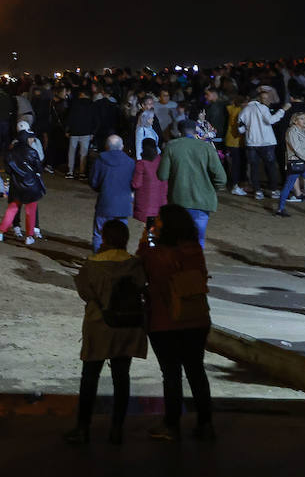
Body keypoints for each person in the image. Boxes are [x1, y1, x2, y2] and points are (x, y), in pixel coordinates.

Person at [64, 219, 147, 445]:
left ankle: (83, 428)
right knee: (121, 377)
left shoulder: (92, 264)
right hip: (127, 326)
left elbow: (85, 292)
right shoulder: (134, 264)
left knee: (90, 376)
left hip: (100, 325)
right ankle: (117, 429)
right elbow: (141, 285)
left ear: (105, 238)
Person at [139, 204, 214, 442]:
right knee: (196, 371)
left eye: (159, 220)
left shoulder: (155, 254)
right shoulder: (195, 251)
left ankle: (171, 424)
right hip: (196, 319)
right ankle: (205, 423)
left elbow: (140, 268)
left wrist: (146, 239)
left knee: (171, 374)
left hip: (165, 320)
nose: (157, 223)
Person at [156, 118, 226, 247]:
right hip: (203, 201)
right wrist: (212, 189)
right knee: (198, 240)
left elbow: (162, 175)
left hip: (179, 199)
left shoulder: (171, 146)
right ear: (195, 131)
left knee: (178, 239)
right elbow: (221, 178)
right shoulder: (207, 147)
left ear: (179, 132)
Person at [237, 85, 285, 200]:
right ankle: (273, 190)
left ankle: (258, 191)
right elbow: (271, 120)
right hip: (266, 142)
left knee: (254, 168)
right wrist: (282, 111)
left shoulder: (244, 110)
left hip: (251, 143)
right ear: (258, 98)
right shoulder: (263, 108)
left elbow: (240, 129)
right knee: (271, 167)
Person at [89, 134, 135, 252]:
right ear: (122, 146)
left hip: (105, 202)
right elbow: (134, 183)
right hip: (123, 205)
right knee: (121, 235)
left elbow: (94, 182)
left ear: (106, 146)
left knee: (99, 233)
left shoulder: (100, 160)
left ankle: (98, 260)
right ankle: (119, 260)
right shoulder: (130, 162)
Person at [0, 133, 44, 244]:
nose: (33, 140)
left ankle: (0, 233)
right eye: (31, 138)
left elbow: (8, 170)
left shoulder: (10, 152)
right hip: (30, 185)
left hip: (16, 184)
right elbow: (39, 168)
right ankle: (29, 237)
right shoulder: (32, 152)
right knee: (30, 211)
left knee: (12, 209)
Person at [275, 110, 305, 217]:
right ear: (295, 121)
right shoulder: (292, 132)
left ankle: (280, 209)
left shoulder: (304, 131)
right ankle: (280, 209)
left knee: (289, 185)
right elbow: (296, 148)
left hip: (301, 162)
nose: (304, 120)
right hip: (297, 162)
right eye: (301, 118)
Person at [130, 138, 168, 229]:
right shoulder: (162, 161)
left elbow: (136, 184)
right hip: (161, 203)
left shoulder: (141, 164)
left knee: (146, 232)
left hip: (145, 204)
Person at [65, 88, 96, 178]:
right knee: (84, 153)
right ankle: (82, 173)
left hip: (74, 131)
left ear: (82, 94)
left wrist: (67, 130)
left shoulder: (74, 103)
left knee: (72, 152)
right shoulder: (92, 104)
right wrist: (92, 132)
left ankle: (70, 171)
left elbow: (70, 117)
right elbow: (94, 120)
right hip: (86, 132)